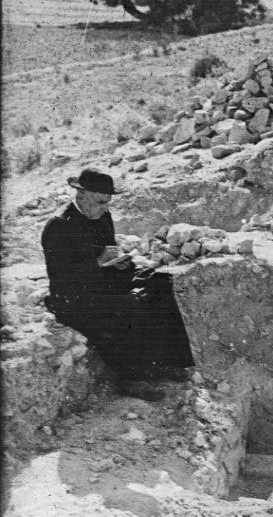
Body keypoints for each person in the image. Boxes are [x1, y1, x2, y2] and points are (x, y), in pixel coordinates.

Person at [41, 168, 194, 401]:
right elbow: (61, 277)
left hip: (103, 283)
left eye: (108, 202)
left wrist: (121, 264)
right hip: (72, 298)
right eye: (102, 202)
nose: (106, 208)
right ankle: (133, 378)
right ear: (82, 196)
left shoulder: (102, 216)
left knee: (159, 282)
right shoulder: (58, 226)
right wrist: (97, 263)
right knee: (130, 304)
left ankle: (166, 362)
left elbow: (109, 255)